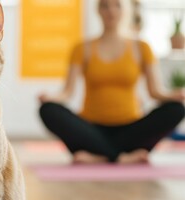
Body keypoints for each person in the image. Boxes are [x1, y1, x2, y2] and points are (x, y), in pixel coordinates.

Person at [38, 0, 185, 164]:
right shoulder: (81, 48)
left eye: (117, 5)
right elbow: (67, 92)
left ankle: (99, 154)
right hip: (91, 129)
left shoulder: (142, 48)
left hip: (131, 129)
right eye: (105, 6)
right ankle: (119, 156)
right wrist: (50, 98)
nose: (111, 11)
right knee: (48, 110)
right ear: (98, 11)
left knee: (176, 109)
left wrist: (176, 95)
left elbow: (156, 92)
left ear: (126, 10)